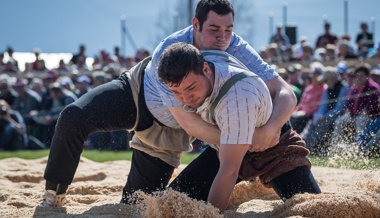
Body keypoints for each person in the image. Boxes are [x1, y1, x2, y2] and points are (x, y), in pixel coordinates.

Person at [39, 0, 297, 208]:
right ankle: (54, 193)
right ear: (195, 25)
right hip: (138, 96)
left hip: (167, 136)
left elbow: (284, 91)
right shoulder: (171, 52)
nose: (222, 38)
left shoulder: (236, 46)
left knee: (136, 207)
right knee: (73, 116)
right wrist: (243, 138)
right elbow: (190, 123)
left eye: (228, 30)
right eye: (214, 30)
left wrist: (271, 128)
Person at [157, 42, 321, 213]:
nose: (186, 98)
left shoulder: (236, 98)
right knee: (173, 204)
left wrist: (211, 216)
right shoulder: (193, 66)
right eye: (177, 92)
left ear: (206, 69)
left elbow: (229, 171)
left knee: (313, 210)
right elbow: (191, 125)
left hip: (272, 146)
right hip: (226, 144)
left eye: (191, 88)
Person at [302, 66, 350, 155]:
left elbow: (339, 109)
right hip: (327, 115)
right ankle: (302, 143)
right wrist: (319, 116)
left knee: (323, 124)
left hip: (339, 115)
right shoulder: (328, 89)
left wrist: (324, 117)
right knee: (312, 123)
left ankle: (309, 148)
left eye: (326, 80)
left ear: (332, 79)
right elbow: (323, 106)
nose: (324, 83)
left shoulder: (344, 88)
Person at [330, 63, 380, 149]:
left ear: (367, 76)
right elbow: (349, 103)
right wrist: (350, 113)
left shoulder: (373, 88)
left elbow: (372, 106)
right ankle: (335, 147)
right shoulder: (354, 88)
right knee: (339, 121)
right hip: (353, 115)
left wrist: (360, 114)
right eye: (357, 76)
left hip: (369, 116)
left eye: (361, 76)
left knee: (361, 121)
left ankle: (359, 148)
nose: (358, 78)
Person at [290, 62, 326, 134]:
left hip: (311, 116)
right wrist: (296, 111)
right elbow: (302, 103)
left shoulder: (324, 89)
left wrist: (305, 113)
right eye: (313, 75)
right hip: (302, 115)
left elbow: (319, 106)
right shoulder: (308, 88)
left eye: (316, 75)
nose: (314, 77)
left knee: (297, 124)